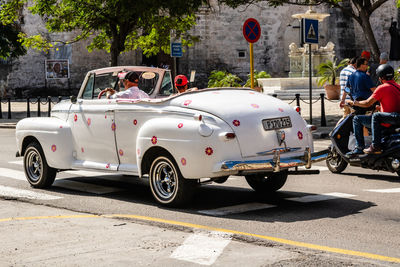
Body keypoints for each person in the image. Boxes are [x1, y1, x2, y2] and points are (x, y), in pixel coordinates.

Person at [347, 64, 400, 155]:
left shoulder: (382, 88)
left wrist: (354, 103)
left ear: (380, 77)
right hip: (396, 119)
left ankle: (364, 147)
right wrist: (380, 108)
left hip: (388, 122)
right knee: (377, 115)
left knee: (357, 119)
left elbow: (367, 103)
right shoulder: (398, 87)